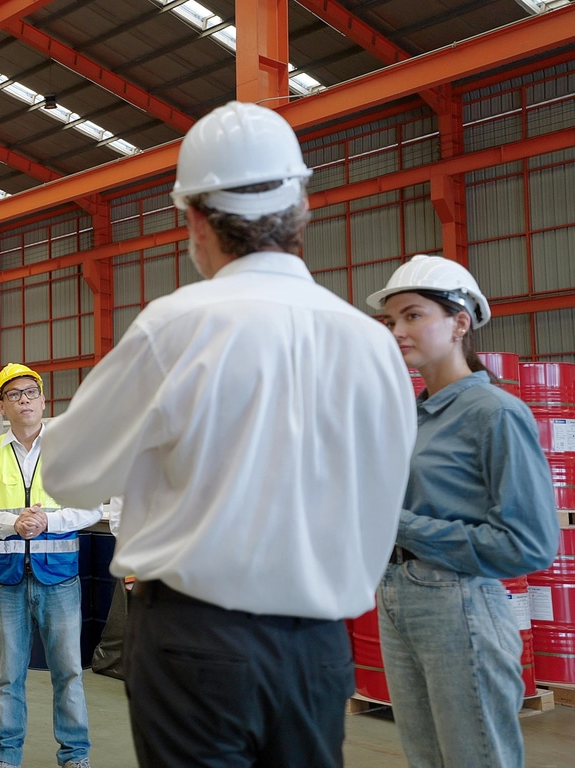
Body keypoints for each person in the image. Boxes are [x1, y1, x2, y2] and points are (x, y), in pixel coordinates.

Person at [40, 101, 417, 767]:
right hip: (320, 651)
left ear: (193, 220)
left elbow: (68, 473)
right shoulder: (372, 345)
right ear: (303, 210)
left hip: (196, 644)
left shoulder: (176, 327)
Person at [368, 255, 558, 768]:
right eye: (391, 321)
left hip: (458, 602)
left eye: (412, 315)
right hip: (396, 595)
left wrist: (397, 523)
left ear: (460, 322)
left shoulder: (494, 413)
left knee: (475, 757)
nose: (398, 331)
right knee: (426, 759)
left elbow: (531, 543)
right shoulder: (414, 415)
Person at [0, 363, 100, 768]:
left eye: (30, 393)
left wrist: (47, 522)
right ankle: (5, 758)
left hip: (59, 579)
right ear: (2, 406)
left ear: (43, 400)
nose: (24, 400)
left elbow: (90, 505)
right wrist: (12, 522)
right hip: (7, 582)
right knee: (8, 678)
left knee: (69, 673)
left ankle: (75, 755)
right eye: (14, 395)